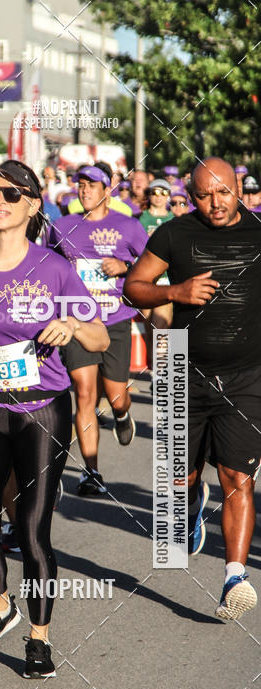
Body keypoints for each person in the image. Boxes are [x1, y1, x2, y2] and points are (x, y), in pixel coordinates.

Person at [0, 160, 108, 678]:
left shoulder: (54, 268)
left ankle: (39, 638)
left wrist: (70, 322)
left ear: (33, 205)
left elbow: (98, 337)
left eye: (11, 195)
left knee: (32, 531)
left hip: (41, 409)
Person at [124, 157, 260, 621]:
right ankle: (189, 502)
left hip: (247, 378)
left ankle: (234, 578)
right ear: (192, 193)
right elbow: (133, 287)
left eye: (223, 193)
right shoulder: (174, 235)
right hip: (184, 370)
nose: (215, 203)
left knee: (238, 480)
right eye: (204, 195)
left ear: (238, 187)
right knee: (179, 480)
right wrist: (175, 292)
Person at [48, 162, 148, 496]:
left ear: (108, 189)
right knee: (85, 392)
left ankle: (121, 414)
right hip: (78, 322)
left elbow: (153, 266)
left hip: (116, 321)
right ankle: (91, 471)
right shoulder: (62, 227)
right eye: (81, 184)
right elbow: (46, 265)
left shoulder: (129, 227)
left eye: (92, 184)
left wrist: (126, 266)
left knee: (117, 395)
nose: (85, 189)